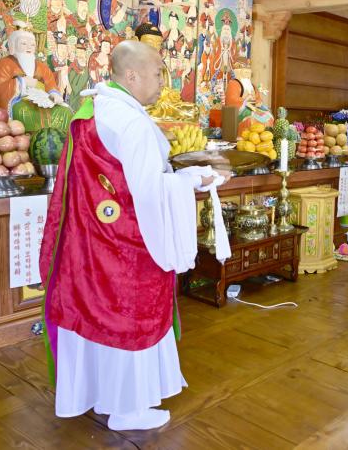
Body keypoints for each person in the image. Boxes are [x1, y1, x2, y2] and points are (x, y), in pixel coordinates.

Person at [39, 41, 230, 431]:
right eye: (158, 74)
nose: (162, 82)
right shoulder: (132, 122)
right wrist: (195, 180)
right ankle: (128, 409)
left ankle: (101, 395)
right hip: (127, 245)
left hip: (91, 241)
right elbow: (148, 193)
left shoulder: (93, 110)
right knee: (128, 317)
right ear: (131, 75)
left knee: (97, 317)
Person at [0, 27, 61, 111]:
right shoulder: (3, 64)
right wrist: (23, 82)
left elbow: (50, 83)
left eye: (32, 45)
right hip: (18, 102)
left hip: (42, 101)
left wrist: (54, 93)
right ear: (13, 46)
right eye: (24, 43)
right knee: (24, 111)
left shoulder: (42, 66)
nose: (29, 47)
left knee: (64, 111)